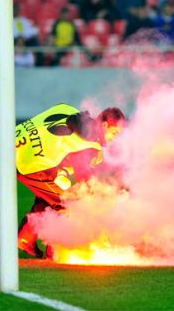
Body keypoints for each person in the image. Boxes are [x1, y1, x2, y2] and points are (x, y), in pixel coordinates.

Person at [16, 103, 126, 258]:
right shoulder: (90, 146)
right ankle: (56, 252)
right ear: (105, 125)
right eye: (114, 133)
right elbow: (85, 181)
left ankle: (24, 238)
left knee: (49, 198)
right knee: (67, 204)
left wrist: (62, 172)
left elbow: (56, 142)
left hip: (11, 148)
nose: (114, 139)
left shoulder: (69, 110)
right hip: (28, 165)